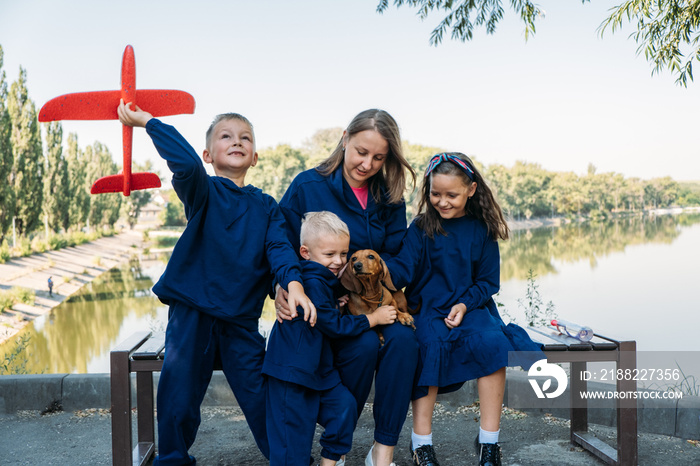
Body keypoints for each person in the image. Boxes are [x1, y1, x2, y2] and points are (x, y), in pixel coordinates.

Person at [117, 100, 315, 466]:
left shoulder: (267, 206)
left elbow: (279, 251)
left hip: (240, 320)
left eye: (245, 138)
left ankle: (287, 458)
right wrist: (148, 122)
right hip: (193, 313)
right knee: (179, 394)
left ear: (255, 156)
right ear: (209, 154)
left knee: (260, 394)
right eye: (226, 136)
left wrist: (291, 284)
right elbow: (185, 163)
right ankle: (173, 459)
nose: (237, 141)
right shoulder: (202, 191)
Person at [277, 109, 418, 466]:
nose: (367, 163)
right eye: (360, 151)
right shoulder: (307, 186)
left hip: (377, 301)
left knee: (403, 341)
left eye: (379, 157)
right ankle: (337, 446)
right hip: (324, 309)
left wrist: (379, 281)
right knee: (365, 344)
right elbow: (279, 241)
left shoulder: (390, 196)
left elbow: (400, 255)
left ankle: (382, 450)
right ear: (345, 139)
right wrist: (283, 284)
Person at [385, 153, 544, 466]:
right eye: (435, 194)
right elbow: (402, 269)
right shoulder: (420, 227)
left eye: (451, 195)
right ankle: (422, 445)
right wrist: (381, 272)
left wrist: (463, 304)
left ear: (471, 189)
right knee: (428, 344)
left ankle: (489, 444)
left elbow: (487, 282)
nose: (442, 202)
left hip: (471, 305)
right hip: (427, 307)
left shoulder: (481, 229)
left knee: (492, 343)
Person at [264, 211, 398, 466]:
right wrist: (374, 318)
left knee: (344, 408)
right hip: (291, 374)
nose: (339, 261)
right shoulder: (309, 283)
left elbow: (326, 308)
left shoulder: (324, 283)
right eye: (329, 255)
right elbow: (333, 325)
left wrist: (335, 300)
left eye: (343, 254)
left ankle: (331, 461)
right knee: (292, 445)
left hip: (318, 372)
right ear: (305, 253)